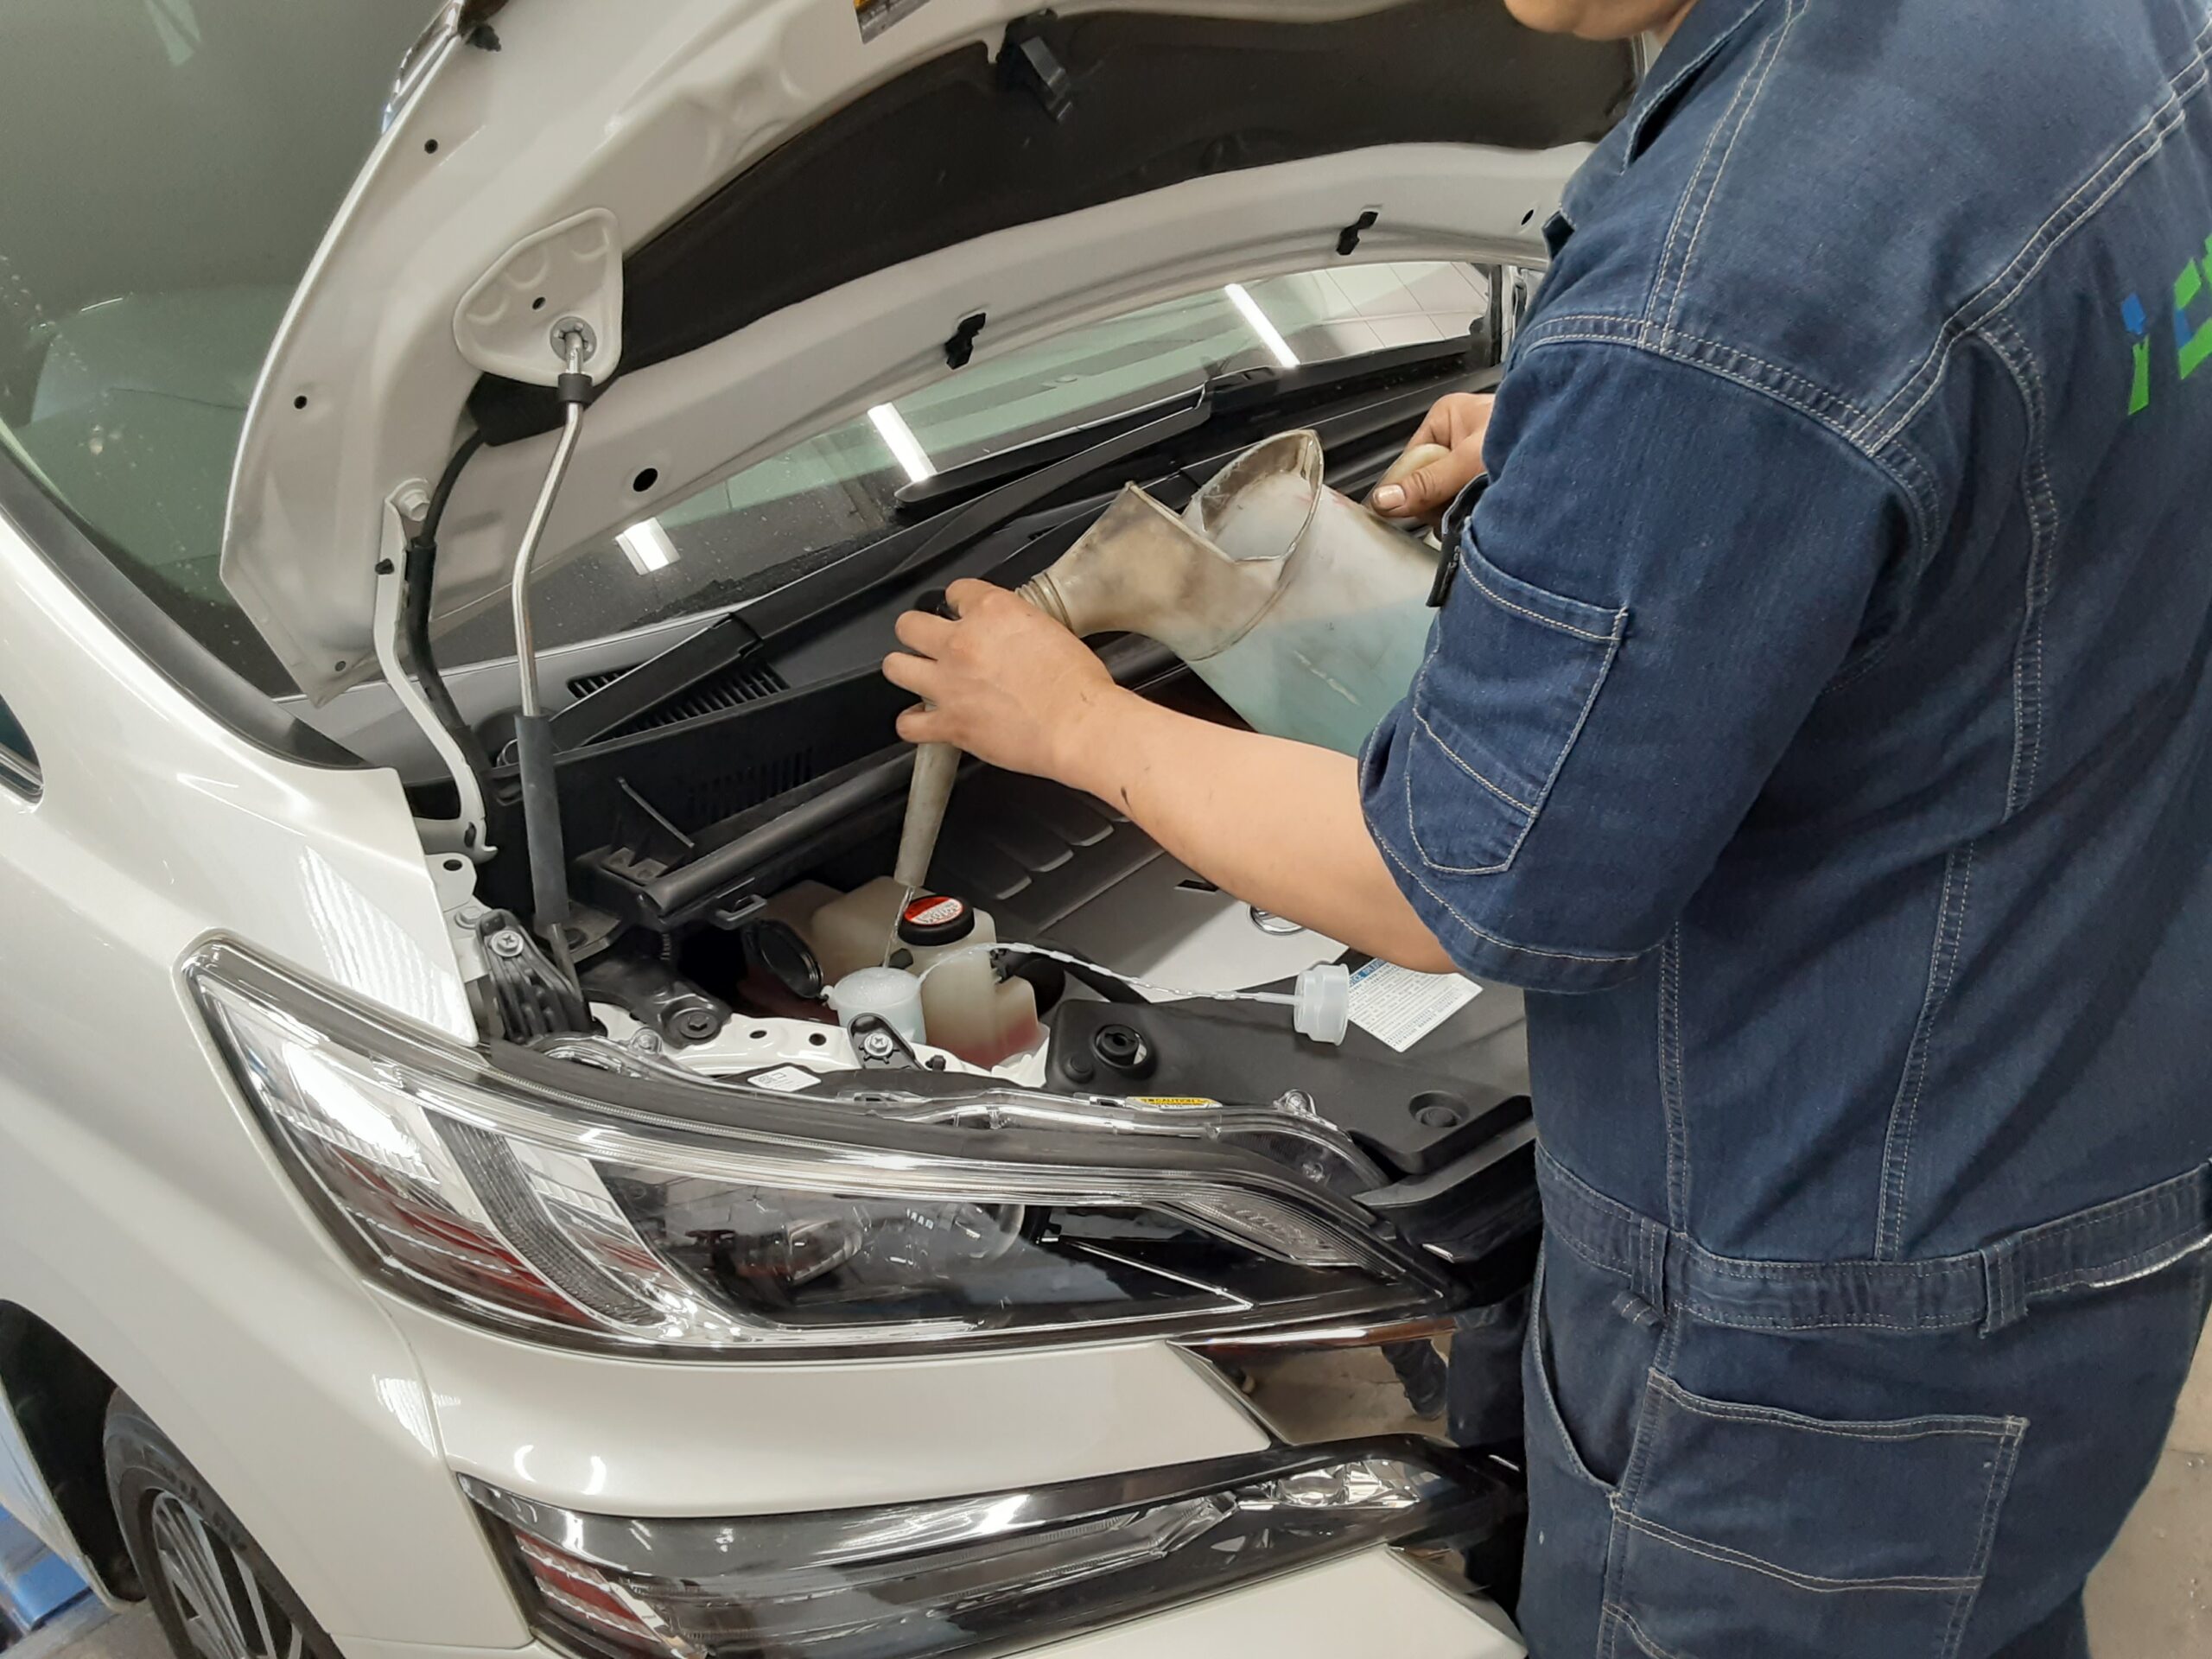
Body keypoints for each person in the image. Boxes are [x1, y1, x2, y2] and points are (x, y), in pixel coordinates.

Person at [884, 1, 2212, 1651]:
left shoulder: (1732, 284)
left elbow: (1453, 873)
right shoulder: (2101, 27)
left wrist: (1074, 724)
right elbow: (1986, 417)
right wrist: (1621, 453)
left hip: (1819, 1339)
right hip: (2090, 1164)